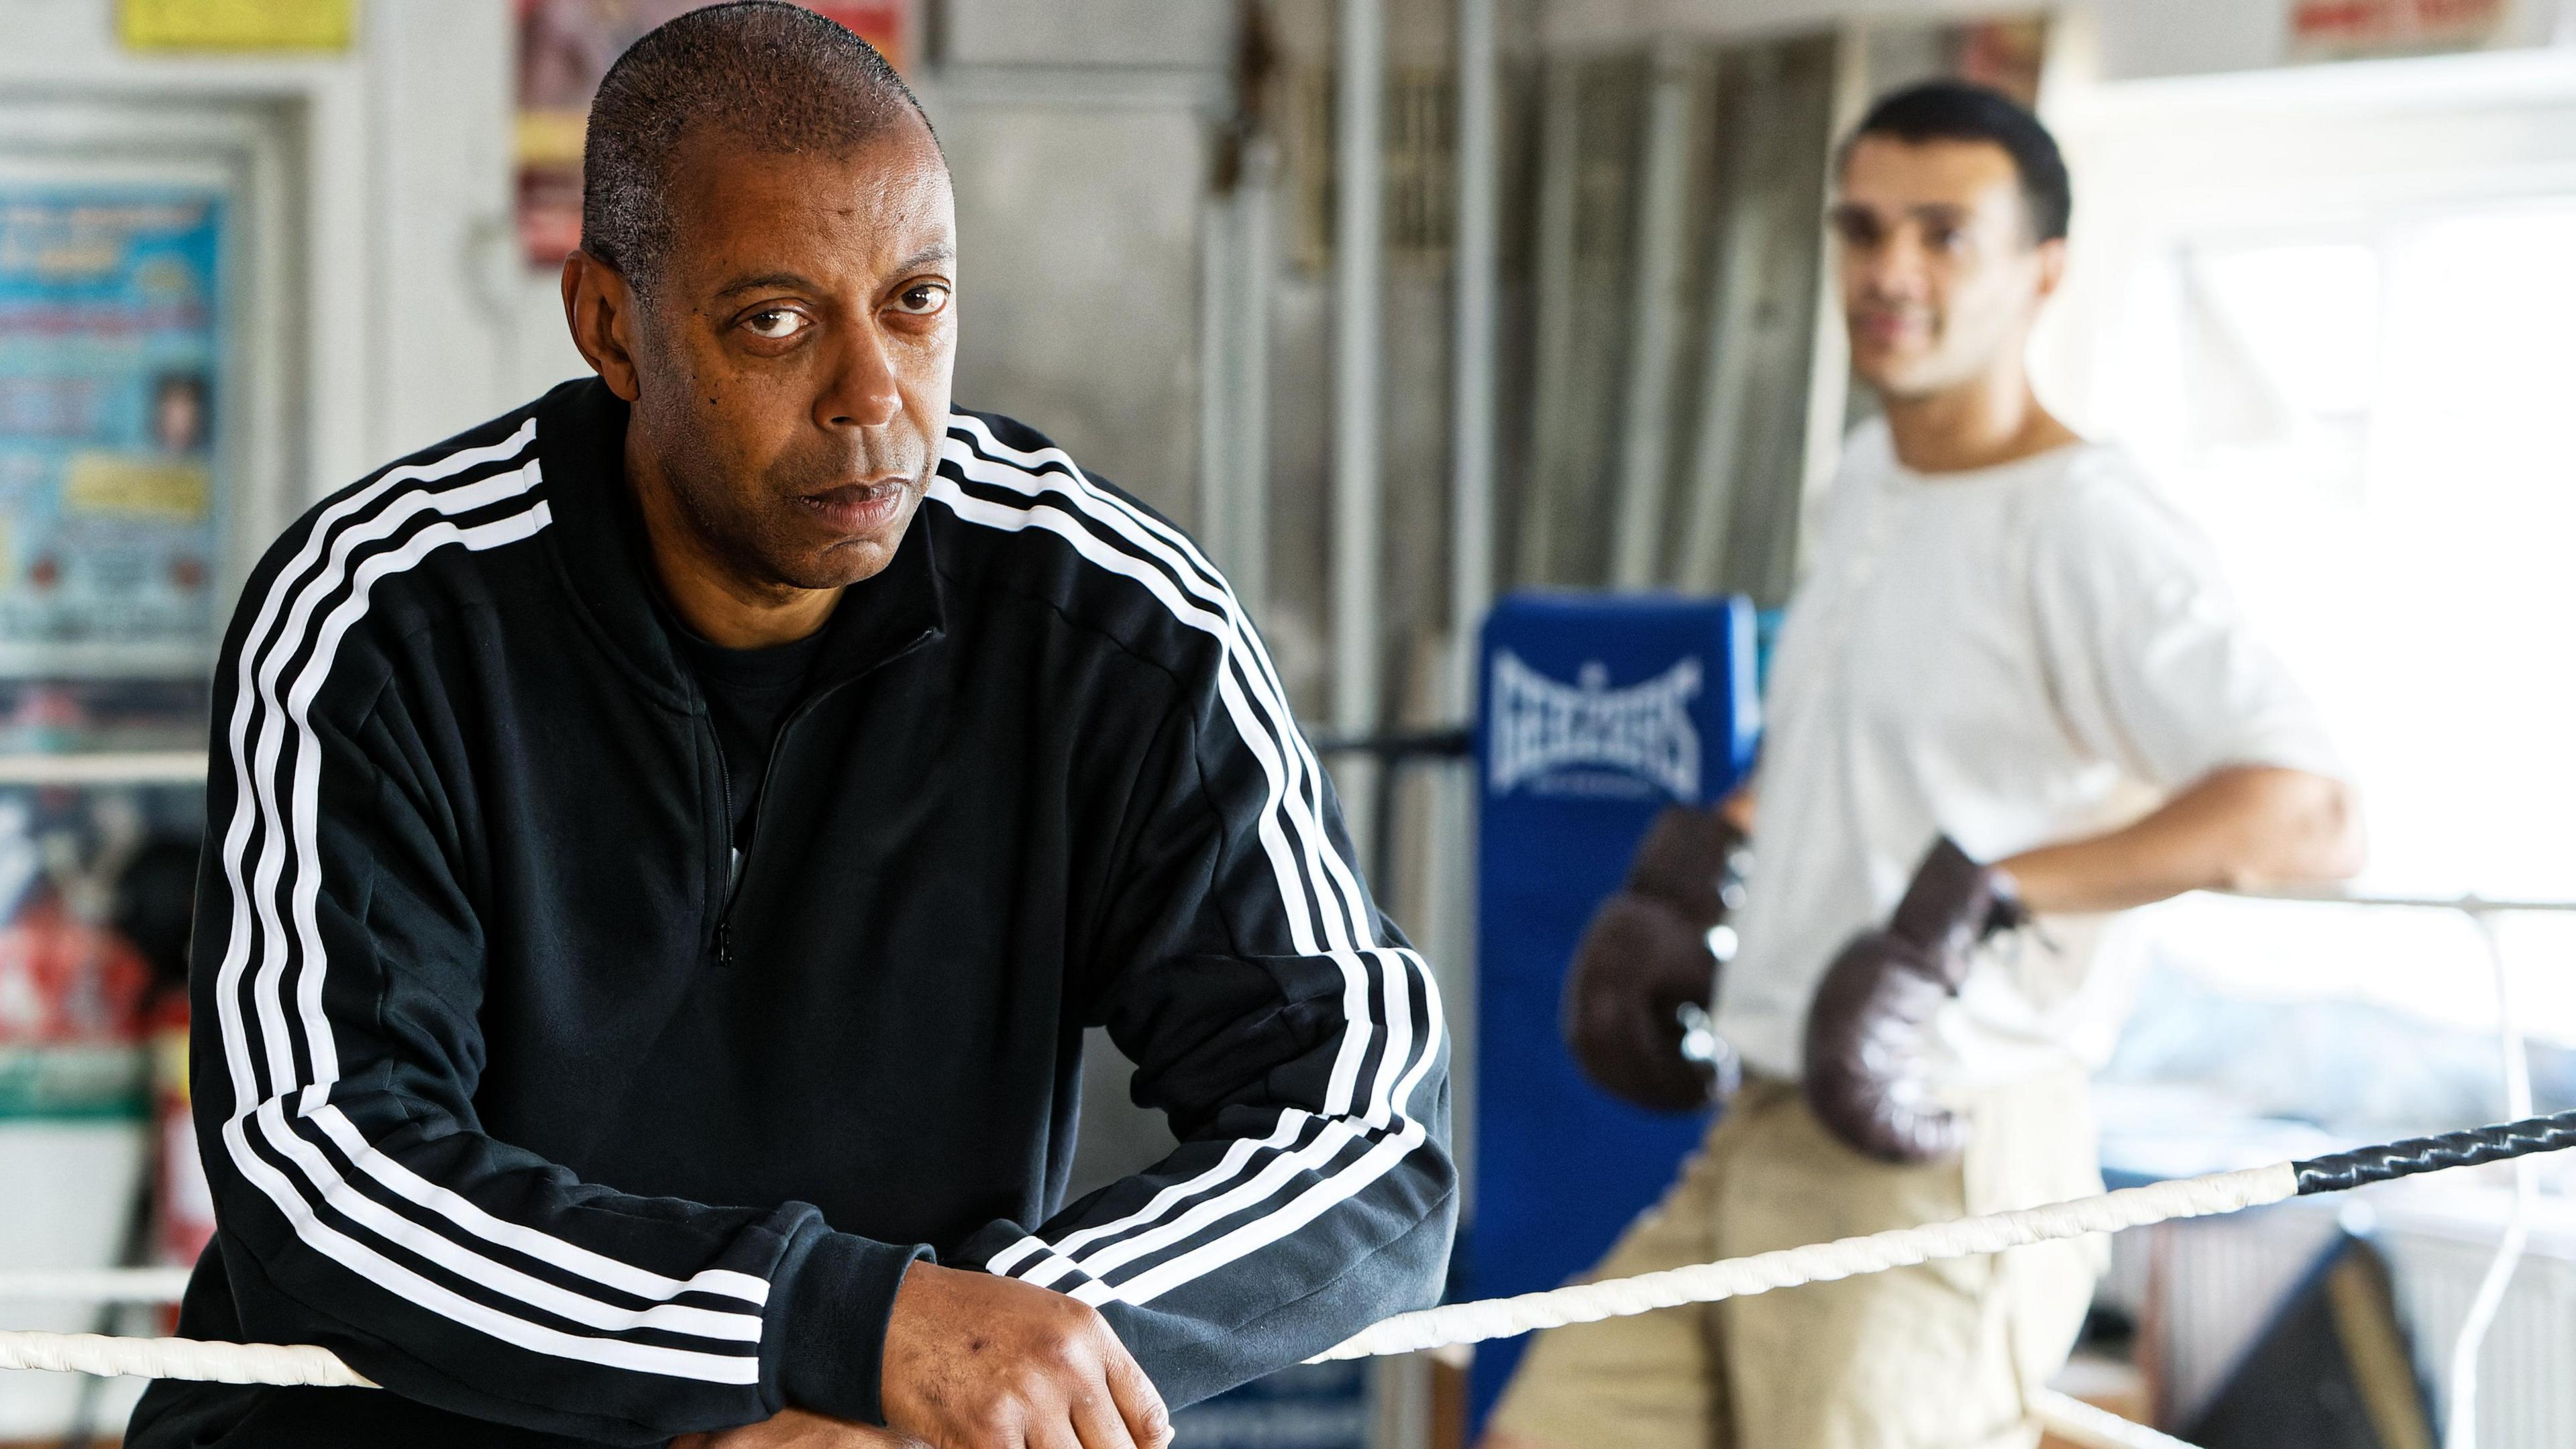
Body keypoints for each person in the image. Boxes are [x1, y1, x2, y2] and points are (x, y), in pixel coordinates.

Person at [127, 7, 1454, 1448]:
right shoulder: (383, 615)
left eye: (918, 301)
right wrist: (819, 1331)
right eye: (776, 319)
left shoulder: (1111, 627)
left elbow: (1359, 1127)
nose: (871, 398)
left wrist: (972, 1358)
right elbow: (318, 1170)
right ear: (611, 327)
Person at [1497, 81, 2361, 1449]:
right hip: (1768, 1121)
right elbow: (1851, 735)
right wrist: (1702, 854)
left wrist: (1983, 896)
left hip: (1944, 1144)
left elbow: (2306, 814)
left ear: (2044, 272)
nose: (1891, 270)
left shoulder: (2085, 525)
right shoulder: (1867, 480)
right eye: (1864, 229)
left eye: (1946, 235)